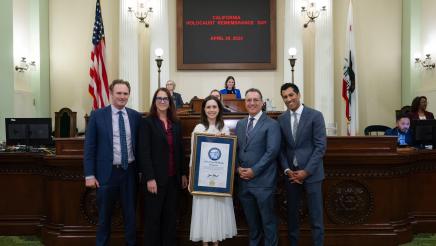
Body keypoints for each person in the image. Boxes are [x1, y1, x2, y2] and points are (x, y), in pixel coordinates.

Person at [83, 79, 142, 246]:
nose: (122, 97)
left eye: (125, 93)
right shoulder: (98, 115)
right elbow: (90, 147)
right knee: (104, 218)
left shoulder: (135, 116)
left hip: (129, 173)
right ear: (111, 94)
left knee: (131, 216)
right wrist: (89, 174)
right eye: (119, 93)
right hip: (106, 174)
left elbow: (140, 146)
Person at [137, 88, 188, 246]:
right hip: (155, 181)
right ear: (154, 102)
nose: (162, 101)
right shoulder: (147, 122)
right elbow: (143, 153)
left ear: (170, 102)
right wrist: (150, 177)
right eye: (159, 98)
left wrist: (183, 174)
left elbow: (179, 150)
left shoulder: (176, 123)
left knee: (170, 220)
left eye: (165, 98)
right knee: (153, 220)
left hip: (173, 180)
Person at [277, 83, 327, 246]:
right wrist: (287, 170)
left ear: (298, 95)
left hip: (312, 175)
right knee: (292, 216)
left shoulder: (315, 115)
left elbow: (320, 147)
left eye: (291, 95)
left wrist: (306, 172)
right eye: (285, 97)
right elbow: (281, 149)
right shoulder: (281, 119)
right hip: (291, 175)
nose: (288, 99)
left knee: (316, 216)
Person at [189, 96, 237, 246]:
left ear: (219, 109)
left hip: (220, 183)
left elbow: (228, 158)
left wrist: (223, 139)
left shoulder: (225, 129)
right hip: (202, 182)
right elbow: (193, 156)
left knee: (217, 217)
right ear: (204, 109)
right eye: (208, 107)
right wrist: (191, 180)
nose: (211, 110)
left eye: (214, 107)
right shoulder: (198, 129)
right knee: (204, 216)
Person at [235, 88, 281, 246]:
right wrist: (237, 168)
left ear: (262, 103)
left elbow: (272, 152)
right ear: (245, 103)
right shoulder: (240, 124)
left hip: (263, 182)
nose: (252, 103)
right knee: (252, 226)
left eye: (255, 100)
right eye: (249, 100)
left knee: (268, 224)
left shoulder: (272, 124)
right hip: (244, 183)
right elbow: (236, 150)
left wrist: (254, 171)